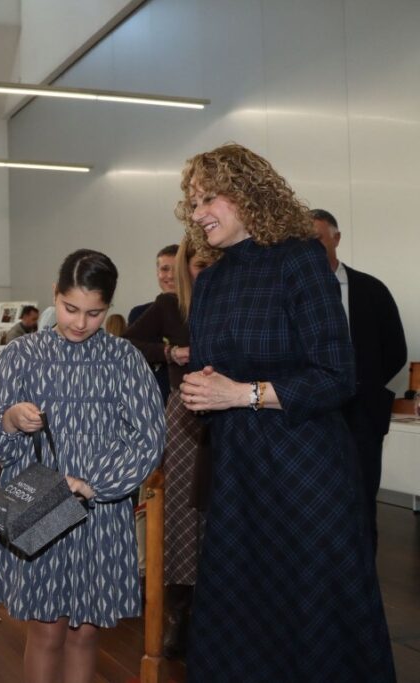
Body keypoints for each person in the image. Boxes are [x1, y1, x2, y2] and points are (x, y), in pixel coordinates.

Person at [177, 144, 394, 682]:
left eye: (209, 198)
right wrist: (204, 391)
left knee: (313, 621)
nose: (198, 212)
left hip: (306, 475)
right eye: (192, 202)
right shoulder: (212, 280)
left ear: (247, 194)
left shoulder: (298, 258)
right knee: (242, 619)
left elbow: (337, 375)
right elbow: (213, 371)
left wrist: (242, 393)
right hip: (239, 477)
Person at [0, 249, 164, 683]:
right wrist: (10, 419)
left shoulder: (125, 359)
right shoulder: (20, 355)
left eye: (94, 313)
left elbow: (148, 438)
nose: (80, 322)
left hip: (99, 514)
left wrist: (94, 483)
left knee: (85, 634)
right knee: (46, 631)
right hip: (37, 505)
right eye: (70, 308)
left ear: (108, 308)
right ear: (54, 295)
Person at [123, 236, 215, 659]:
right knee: (179, 514)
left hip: (232, 417)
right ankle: (178, 613)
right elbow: (125, 345)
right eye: (197, 265)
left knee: (219, 510)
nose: (204, 270)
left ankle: (219, 610)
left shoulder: (231, 299)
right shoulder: (167, 306)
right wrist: (170, 352)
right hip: (184, 420)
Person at [311, 208, 407, 555]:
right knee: (317, 502)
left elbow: (396, 349)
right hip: (312, 415)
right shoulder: (295, 294)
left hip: (362, 414)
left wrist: (360, 385)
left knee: (363, 498)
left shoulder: (371, 290)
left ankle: (364, 574)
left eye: (318, 239)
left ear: (336, 239)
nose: (311, 248)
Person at [128, 244, 179, 406]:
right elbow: (132, 353)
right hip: (149, 399)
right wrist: (169, 353)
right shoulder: (139, 313)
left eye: (177, 269)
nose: (170, 275)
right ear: (157, 273)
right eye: (164, 269)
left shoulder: (199, 311)